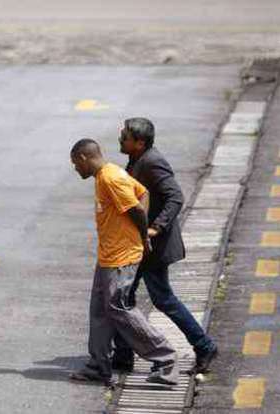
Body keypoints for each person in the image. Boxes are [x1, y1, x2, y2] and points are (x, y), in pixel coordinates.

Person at [68, 138, 179, 386]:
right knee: (100, 310)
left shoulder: (110, 178)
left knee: (118, 308)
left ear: (84, 158)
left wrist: (142, 237)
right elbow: (143, 193)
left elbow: (138, 210)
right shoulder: (108, 174)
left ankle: (166, 358)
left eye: (75, 163)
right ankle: (98, 365)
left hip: (121, 257)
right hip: (109, 255)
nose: (75, 169)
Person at [113, 118, 218, 374]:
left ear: (139, 142)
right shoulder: (139, 159)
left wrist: (156, 227)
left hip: (154, 248)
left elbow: (175, 196)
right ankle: (124, 354)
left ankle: (204, 346)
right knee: (122, 296)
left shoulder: (152, 162)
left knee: (159, 299)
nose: (120, 139)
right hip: (141, 245)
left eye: (125, 136)